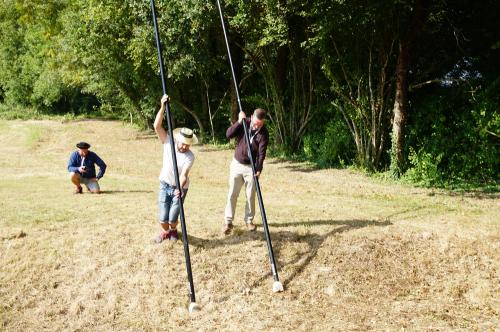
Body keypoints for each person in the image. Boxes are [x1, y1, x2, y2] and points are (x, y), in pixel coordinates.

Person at [154, 94, 197, 243]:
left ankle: (173, 230)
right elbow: (157, 126)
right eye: (183, 143)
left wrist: (179, 187)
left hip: (180, 188)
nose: (185, 146)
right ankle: (165, 231)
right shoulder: (168, 142)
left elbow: (184, 174)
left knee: (173, 216)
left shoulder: (190, 156)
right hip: (164, 184)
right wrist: (163, 107)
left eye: (188, 144)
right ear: (178, 139)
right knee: (162, 217)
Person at [222, 108, 269, 235]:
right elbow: (228, 134)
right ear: (252, 116)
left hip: (251, 168)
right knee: (232, 194)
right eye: (255, 122)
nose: (256, 125)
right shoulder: (244, 123)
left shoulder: (263, 133)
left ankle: (249, 220)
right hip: (237, 164)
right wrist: (238, 121)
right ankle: (228, 221)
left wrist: (259, 168)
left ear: (263, 121)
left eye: (259, 124)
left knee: (250, 196)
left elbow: (261, 153)